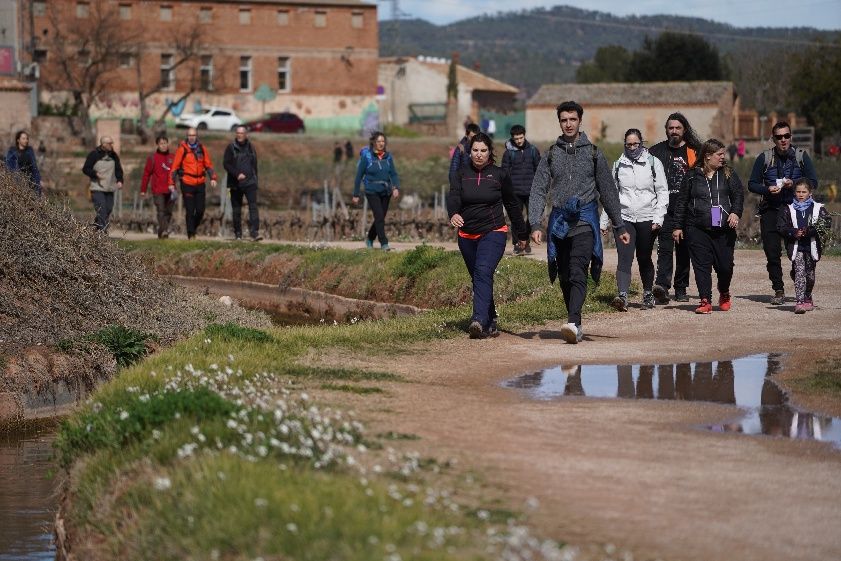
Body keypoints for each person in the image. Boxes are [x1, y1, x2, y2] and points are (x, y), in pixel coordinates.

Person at [529, 101, 630, 344]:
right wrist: (535, 223)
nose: (568, 124)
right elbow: (539, 189)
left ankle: (573, 321)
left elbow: (607, 191)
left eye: (572, 119)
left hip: (585, 220)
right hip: (559, 222)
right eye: (564, 120)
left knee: (577, 269)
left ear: (580, 121)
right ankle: (575, 320)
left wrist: (619, 224)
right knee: (564, 274)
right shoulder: (551, 154)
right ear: (560, 122)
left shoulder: (594, 153)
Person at [447, 132, 527, 339]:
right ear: (470, 152)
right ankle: (490, 320)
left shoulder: (500, 175)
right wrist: (453, 213)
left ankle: (478, 320)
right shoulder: (461, 174)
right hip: (466, 235)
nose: (479, 155)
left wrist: (521, 233)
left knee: (483, 271)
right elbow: (454, 197)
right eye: (475, 150)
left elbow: (511, 204)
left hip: (493, 231)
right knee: (479, 277)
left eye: (483, 150)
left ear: (490, 152)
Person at [748, 121, 818, 305]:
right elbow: (752, 183)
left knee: (796, 252)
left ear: (790, 137)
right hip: (771, 210)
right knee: (772, 253)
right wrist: (767, 189)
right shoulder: (764, 157)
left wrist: (793, 185)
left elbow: (813, 182)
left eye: (786, 136)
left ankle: (800, 285)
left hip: (795, 211)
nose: (783, 140)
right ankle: (778, 290)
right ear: (773, 139)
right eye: (779, 137)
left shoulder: (801, 156)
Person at [672, 139, 744, 314]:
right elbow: (682, 202)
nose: (722, 157)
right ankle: (705, 300)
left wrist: (735, 212)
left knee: (725, 267)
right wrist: (677, 226)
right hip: (696, 227)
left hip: (723, 230)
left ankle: (724, 292)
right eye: (719, 154)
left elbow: (738, 196)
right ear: (708, 156)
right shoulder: (691, 176)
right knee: (701, 265)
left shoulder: (728, 173)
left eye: (723, 154)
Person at [600, 128, 668, 311]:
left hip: (648, 217)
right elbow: (611, 196)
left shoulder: (653, 163)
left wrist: (658, 218)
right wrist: (604, 220)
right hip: (624, 218)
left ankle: (647, 294)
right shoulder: (618, 165)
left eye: (635, 144)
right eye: (628, 144)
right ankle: (622, 296)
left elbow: (662, 192)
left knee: (644, 257)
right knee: (624, 257)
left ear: (641, 143)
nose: (631, 148)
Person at [650, 113, 701, 304]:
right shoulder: (655, 152)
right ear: (666, 130)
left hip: (687, 209)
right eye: (671, 128)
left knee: (683, 250)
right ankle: (661, 287)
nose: (674, 131)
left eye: (677, 128)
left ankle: (681, 288)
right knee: (664, 248)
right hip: (663, 208)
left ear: (684, 130)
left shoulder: (694, 152)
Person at [777, 179, 831, 313]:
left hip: (811, 247)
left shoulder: (818, 208)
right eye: (798, 192)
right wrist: (794, 232)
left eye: (804, 192)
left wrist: (809, 231)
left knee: (810, 276)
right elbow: (781, 227)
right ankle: (799, 302)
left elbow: (826, 224)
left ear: (810, 193)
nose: (801, 194)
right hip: (796, 247)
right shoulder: (788, 209)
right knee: (800, 272)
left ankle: (807, 295)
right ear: (794, 193)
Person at [352, 131, 400, 250]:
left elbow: (393, 174)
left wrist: (395, 187)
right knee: (379, 216)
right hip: (371, 191)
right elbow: (358, 176)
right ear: (373, 142)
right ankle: (384, 243)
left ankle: (370, 238)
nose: (381, 144)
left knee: (380, 218)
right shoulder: (367, 157)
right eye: (378, 141)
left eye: (383, 141)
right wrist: (356, 194)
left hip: (386, 191)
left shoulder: (388, 157)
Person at [169, 127, 218, 239]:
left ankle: (193, 228)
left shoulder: (202, 148)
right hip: (187, 182)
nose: (191, 138)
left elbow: (208, 165)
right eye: (190, 135)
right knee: (190, 210)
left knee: (200, 210)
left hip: (200, 182)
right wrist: (171, 183)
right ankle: (191, 234)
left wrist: (213, 178)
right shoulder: (182, 149)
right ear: (187, 136)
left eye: (193, 135)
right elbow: (174, 168)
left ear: (197, 136)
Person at [501, 124, 540, 255]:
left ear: (524, 136)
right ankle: (517, 244)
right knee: (516, 219)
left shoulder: (533, 151)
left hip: (531, 191)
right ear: (512, 138)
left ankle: (526, 241)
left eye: (521, 138)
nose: (519, 141)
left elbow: (539, 170)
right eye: (516, 138)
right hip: (515, 192)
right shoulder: (508, 153)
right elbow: (504, 174)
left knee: (532, 218)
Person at [223, 126, 262, 241]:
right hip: (235, 184)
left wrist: (256, 180)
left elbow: (254, 165)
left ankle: (255, 232)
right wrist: (237, 174)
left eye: (242, 133)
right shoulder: (230, 148)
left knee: (253, 206)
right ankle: (238, 233)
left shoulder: (251, 147)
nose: (239, 135)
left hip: (250, 183)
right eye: (238, 133)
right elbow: (226, 164)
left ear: (246, 135)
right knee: (236, 209)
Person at [82, 136, 124, 231]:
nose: (111, 145)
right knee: (102, 210)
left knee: (108, 209)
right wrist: (95, 174)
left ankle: (97, 228)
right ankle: (102, 233)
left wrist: (120, 180)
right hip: (97, 188)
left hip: (110, 187)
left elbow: (118, 170)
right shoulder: (94, 155)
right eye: (109, 143)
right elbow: (85, 169)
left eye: (112, 143)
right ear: (103, 144)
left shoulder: (114, 156)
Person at [140, 134, 176, 239]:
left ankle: (162, 231)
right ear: (157, 145)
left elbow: (178, 172)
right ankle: (164, 230)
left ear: (168, 144)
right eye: (161, 144)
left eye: (165, 143)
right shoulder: (152, 158)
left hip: (171, 190)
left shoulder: (173, 157)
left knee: (168, 212)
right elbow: (146, 175)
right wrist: (143, 190)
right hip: (158, 190)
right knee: (161, 210)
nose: (163, 146)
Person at [5, 130, 42, 196]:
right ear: (18, 140)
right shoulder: (12, 152)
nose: (26, 140)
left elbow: (34, 167)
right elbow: (9, 167)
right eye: (23, 138)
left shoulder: (30, 150)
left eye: (27, 138)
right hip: (17, 181)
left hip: (30, 181)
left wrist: (38, 180)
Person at [449, 122, 481, 190]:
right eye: (472, 137)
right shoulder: (460, 149)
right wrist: (454, 187)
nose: (474, 140)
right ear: (466, 135)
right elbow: (454, 169)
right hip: (462, 185)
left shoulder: (480, 148)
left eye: (476, 137)